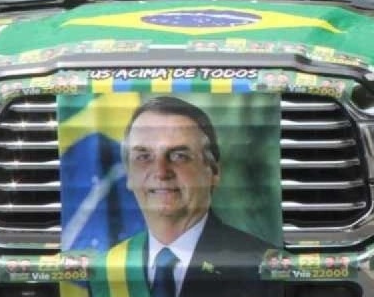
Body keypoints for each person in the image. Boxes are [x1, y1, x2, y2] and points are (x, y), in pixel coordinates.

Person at [88, 96, 276, 297]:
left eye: (179, 156)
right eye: (144, 157)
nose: (161, 172)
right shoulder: (105, 272)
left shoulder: (263, 269)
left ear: (213, 171)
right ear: (129, 176)